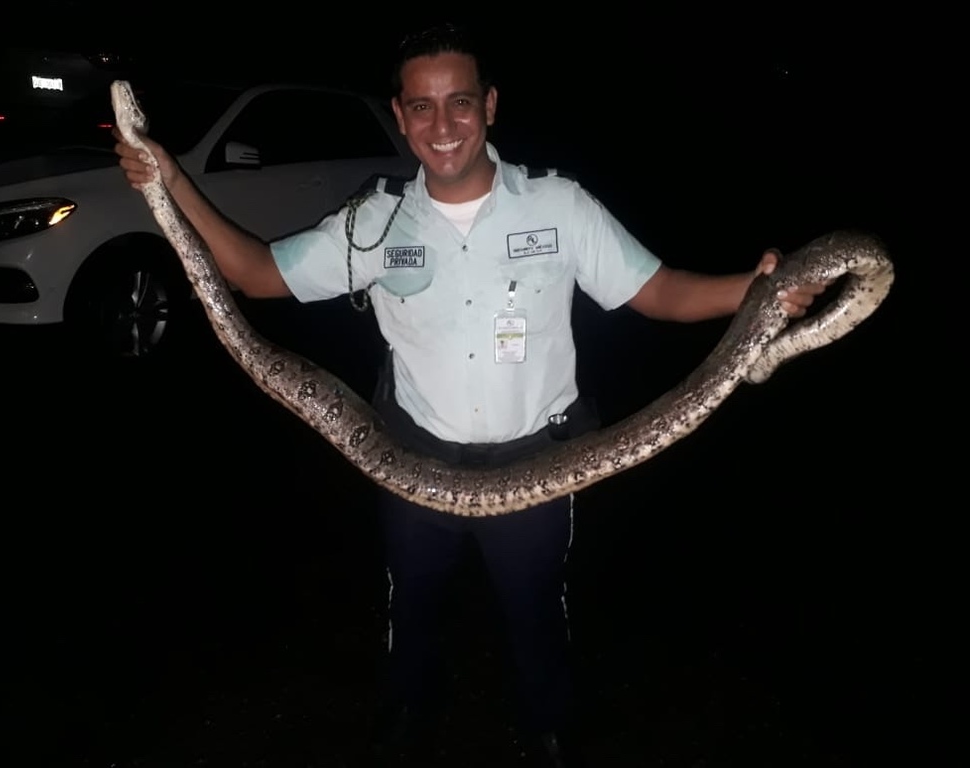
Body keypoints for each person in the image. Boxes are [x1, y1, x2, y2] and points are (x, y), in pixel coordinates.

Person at [115, 24, 826, 767]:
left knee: (534, 603)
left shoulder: (559, 205)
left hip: (539, 460)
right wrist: (170, 182)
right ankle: (407, 705)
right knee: (411, 600)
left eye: (458, 102)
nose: (442, 125)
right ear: (399, 115)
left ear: (489, 105)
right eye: (421, 108)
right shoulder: (375, 220)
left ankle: (550, 721)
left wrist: (759, 289)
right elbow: (257, 274)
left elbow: (660, 292)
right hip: (413, 456)